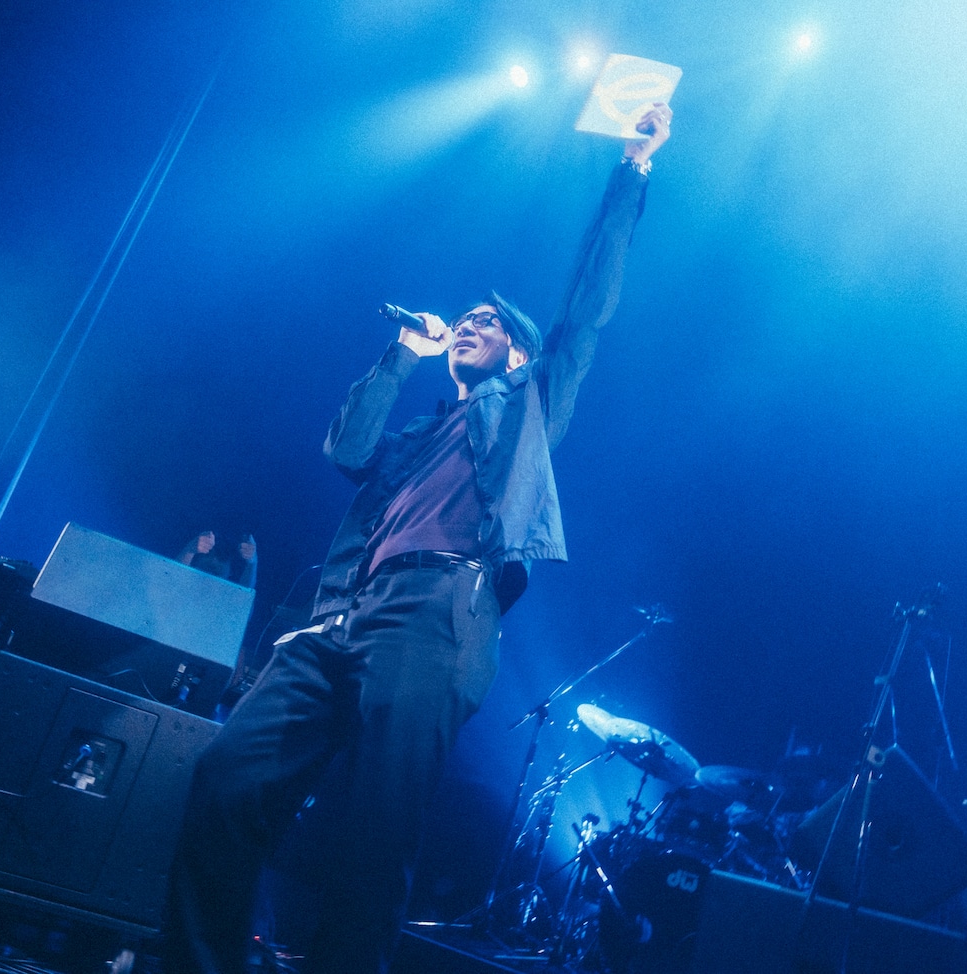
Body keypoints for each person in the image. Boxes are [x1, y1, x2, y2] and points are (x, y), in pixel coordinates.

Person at [163, 103, 673, 974]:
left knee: (375, 827)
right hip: (346, 614)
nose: (465, 326)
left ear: (516, 352)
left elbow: (584, 311)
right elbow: (346, 448)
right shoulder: (416, 439)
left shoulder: (532, 405)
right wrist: (401, 355)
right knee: (225, 775)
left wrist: (633, 172)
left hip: (439, 613)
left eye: (486, 321)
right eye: (459, 321)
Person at [178, 530, 258, 589]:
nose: (214, 560)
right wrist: (190, 550)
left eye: (222, 556)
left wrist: (252, 562)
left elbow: (245, 597)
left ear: (231, 571)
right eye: (208, 553)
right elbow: (173, 578)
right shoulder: (184, 586)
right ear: (197, 559)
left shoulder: (230, 601)